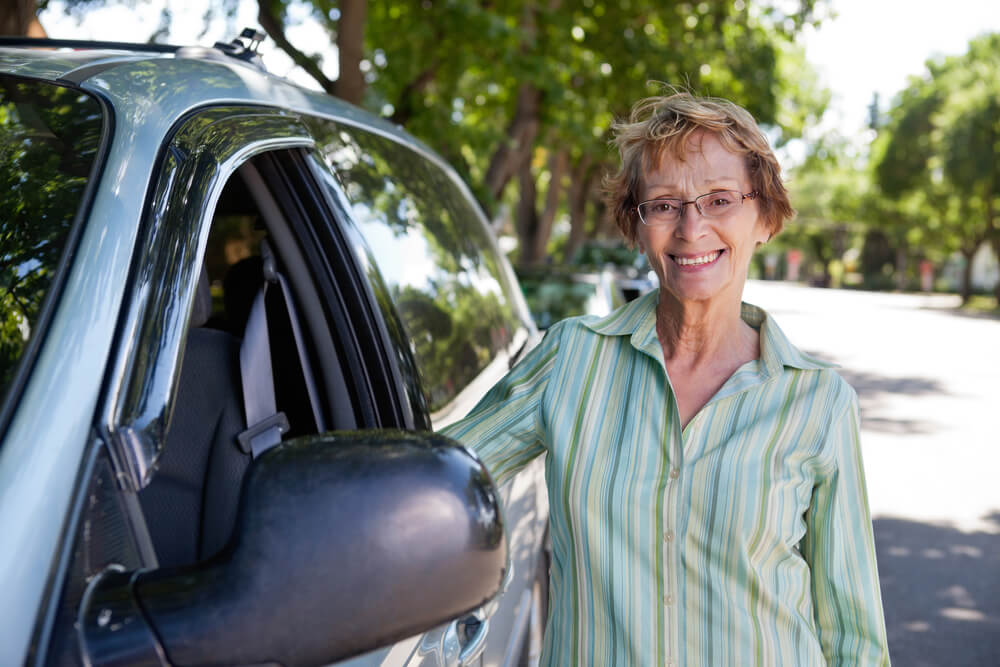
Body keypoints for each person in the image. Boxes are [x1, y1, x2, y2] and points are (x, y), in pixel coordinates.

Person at [441, 91, 890, 665]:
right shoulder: (570, 361)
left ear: (766, 218)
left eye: (720, 200)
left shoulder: (818, 403)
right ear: (638, 224)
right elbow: (432, 477)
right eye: (664, 204)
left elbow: (854, 635)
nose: (691, 227)